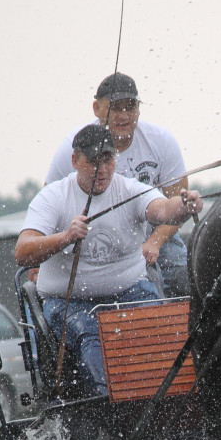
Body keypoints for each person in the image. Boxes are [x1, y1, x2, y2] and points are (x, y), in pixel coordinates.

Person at [17, 124, 203, 397]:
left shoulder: (131, 190)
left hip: (131, 290)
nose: (101, 169)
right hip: (69, 302)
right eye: (93, 161)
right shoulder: (52, 197)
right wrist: (66, 237)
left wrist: (184, 205)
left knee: (163, 328)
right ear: (75, 161)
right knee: (93, 334)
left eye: (108, 159)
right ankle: (112, 410)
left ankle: (171, 401)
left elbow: (163, 209)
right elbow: (23, 251)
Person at [46, 72, 191, 297]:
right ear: (97, 108)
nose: (124, 115)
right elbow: (47, 204)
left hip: (156, 232)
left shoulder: (162, 141)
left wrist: (154, 242)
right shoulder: (73, 148)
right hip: (97, 236)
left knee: (186, 279)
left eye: (130, 107)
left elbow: (177, 206)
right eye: (116, 108)